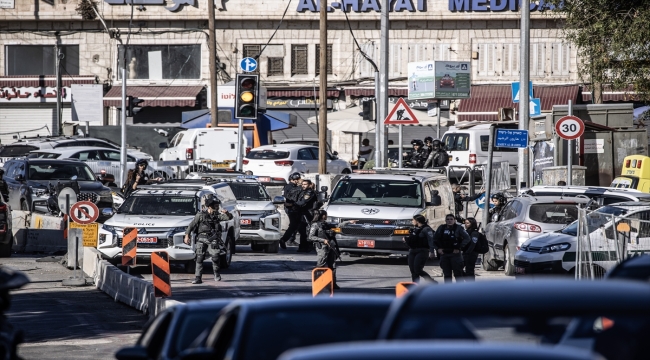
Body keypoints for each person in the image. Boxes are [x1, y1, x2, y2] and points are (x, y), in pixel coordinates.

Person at [184, 195, 233, 284]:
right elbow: (191, 225)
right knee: (199, 258)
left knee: (215, 257)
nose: (217, 207)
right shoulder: (200, 215)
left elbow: (229, 218)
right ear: (210, 206)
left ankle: (216, 274)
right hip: (202, 238)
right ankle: (198, 278)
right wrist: (187, 235)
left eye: (217, 205)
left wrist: (227, 213)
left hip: (213, 239)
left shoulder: (217, 216)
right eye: (215, 205)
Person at [308, 210, 342, 289]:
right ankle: (319, 283)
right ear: (322, 215)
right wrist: (323, 240)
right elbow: (311, 237)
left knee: (332, 265)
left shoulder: (326, 224)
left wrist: (348, 222)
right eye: (325, 215)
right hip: (322, 247)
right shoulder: (315, 225)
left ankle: (333, 284)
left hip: (330, 246)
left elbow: (336, 226)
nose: (326, 216)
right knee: (321, 265)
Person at [433, 214, 470, 283]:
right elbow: (434, 239)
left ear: (454, 220)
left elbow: (467, 238)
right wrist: (437, 248)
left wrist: (459, 247)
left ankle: (460, 291)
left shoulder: (458, 228)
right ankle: (448, 291)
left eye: (451, 219)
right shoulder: (441, 228)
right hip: (444, 254)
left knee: (458, 274)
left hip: (455, 254)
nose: (449, 221)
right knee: (447, 275)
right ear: (445, 220)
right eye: (448, 219)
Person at [403, 214, 435, 283]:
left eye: (413, 220)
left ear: (417, 221)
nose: (412, 221)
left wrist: (432, 252)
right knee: (413, 271)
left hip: (422, 251)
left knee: (418, 269)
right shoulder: (415, 228)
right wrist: (406, 240)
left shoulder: (426, 229)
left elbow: (431, 240)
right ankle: (415, 286)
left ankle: (431, 281)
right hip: (412, 250)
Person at [280, 172, 303, 249]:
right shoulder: (290, 187)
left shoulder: (291, 186)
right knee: (294, 225)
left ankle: (288, 239)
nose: (298, 181)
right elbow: (291, 196)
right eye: (297, 179)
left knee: (295, 225)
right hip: (291, 208)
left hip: (293, 207)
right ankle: (287, 239)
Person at [294, 179, 318, 252]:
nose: (303, 186)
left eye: (305, 184)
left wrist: (294, 204)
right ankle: (303, 246)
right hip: (302, 213)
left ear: (310, 185)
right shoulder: (303, 191)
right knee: (302, 230)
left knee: (307, 230)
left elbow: (303, 202)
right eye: (302, 184)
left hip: (308, 213)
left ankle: (308, 246)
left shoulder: (309, 192)